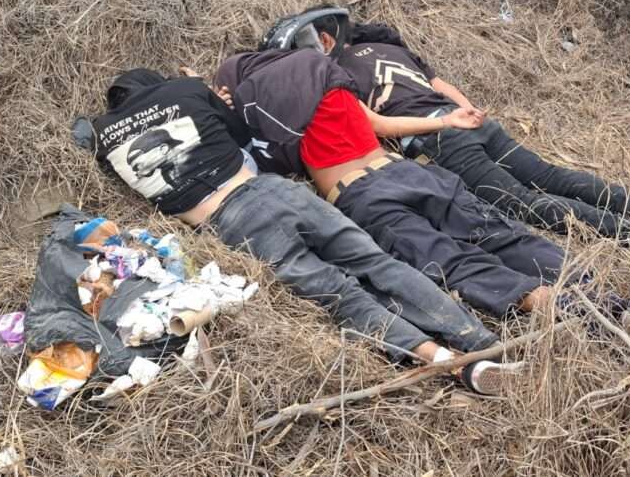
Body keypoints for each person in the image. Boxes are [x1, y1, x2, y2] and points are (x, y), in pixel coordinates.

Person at [72, 68, 524, 394]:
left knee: (339, 294)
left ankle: (439, 359)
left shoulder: (104, 134)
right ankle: (478, 342)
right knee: (377, 264)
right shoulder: (185, 90)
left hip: (228, 221)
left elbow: (82, 134)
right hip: (275, 191)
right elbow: (238, 133)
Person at [213, 49, 593, 322]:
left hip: (362, 194)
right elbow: (380, 125)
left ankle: (552, 306)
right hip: (407, 170)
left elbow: (248, 166)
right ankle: (593, 292)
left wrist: (221, 107)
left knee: (449, 260)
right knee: (499, 234)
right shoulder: (322, 74)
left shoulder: (257, 106)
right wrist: (447, 122)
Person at [263, 6, 630, 240]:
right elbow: (438, 84)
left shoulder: (331, 76)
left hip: (441, 137)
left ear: (325, 41)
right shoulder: (386, 47)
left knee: (521, 202)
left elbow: (377, 126)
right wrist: (467, 111)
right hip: (472, 123)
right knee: (550, 176)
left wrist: (446, 122)